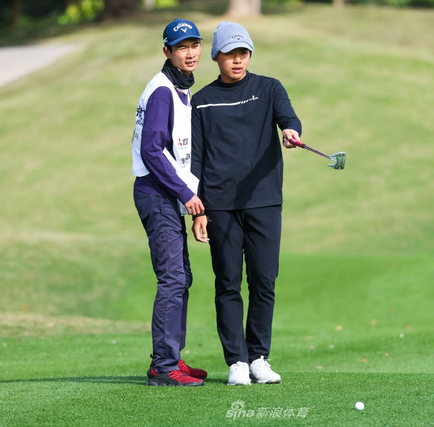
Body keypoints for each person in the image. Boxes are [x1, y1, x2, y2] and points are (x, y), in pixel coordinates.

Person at [191, 21, 302, 386]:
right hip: (219, 204)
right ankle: (236, 361)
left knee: (264, 281)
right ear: (216, 57)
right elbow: (196, 159)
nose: (237, 60)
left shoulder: (269, 88)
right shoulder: (201, 101)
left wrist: (290, 131)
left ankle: (258, 358)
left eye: (243, 53)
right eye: (230, 54)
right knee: (227, 283)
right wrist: (198, 210)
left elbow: (288, 117)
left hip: (264, 201)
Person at [131, 18, 209, 387]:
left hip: (165, 194)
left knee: (181, 277)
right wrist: (186, 194)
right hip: (156, 194)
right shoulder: (163, 91)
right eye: (181, 47)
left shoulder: (177, 88)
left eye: (194, 45)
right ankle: (163, 367)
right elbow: (152, 150)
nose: (190, 53)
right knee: (173, 278)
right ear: (167, 51)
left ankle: (172, 357)